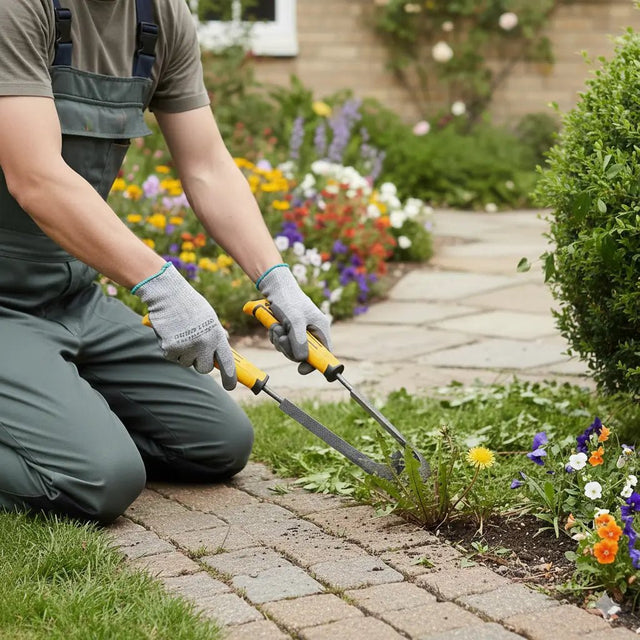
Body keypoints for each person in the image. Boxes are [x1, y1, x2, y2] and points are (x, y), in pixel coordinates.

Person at [0, 0, 331, 524]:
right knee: (102, 480)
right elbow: (35, 178)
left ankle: (59, 424)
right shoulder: (19, 9)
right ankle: (74, 446)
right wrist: (162, 286)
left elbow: (207, 167)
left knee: (216, 443)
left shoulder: (160, 16)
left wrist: (277, 277)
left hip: (71, 298)